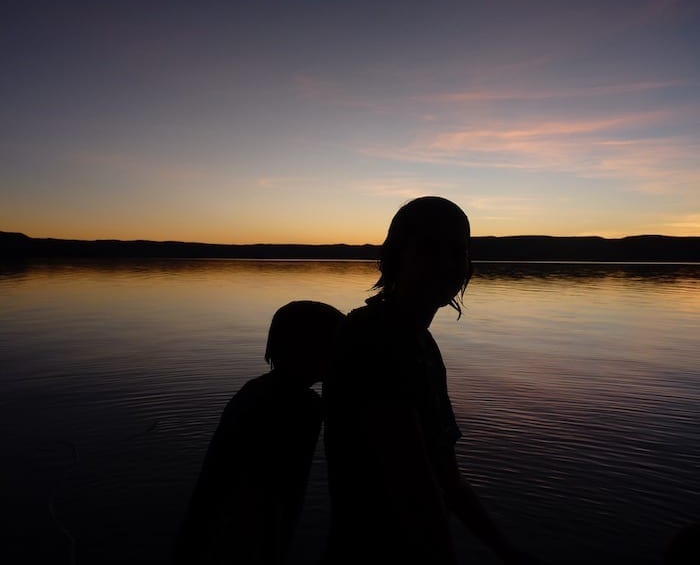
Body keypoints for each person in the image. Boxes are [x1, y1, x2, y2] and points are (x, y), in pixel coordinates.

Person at [323, 197, 537, 564]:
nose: (446, 264)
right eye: (429, 249)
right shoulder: (373, 338)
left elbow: (446, 477)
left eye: (457, 250)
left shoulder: (421, 345)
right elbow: (411, 484)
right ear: (396, 257)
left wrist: (507, 551)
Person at [173, 300, 344, 565]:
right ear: (310, 347)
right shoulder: (293, 406)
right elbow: (259, 501)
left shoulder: (261, 391)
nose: (344, 355)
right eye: (337, 345)